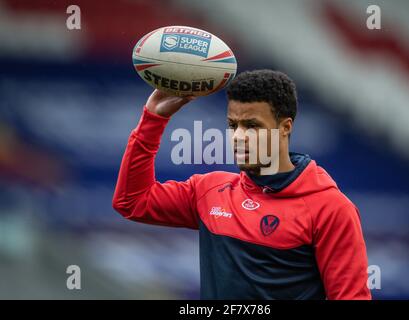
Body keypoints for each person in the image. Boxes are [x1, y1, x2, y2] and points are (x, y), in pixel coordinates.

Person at [112, 69, 371, 299]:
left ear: (285, 127)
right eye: (232, 125)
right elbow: (132, 202)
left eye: (252, 126)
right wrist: (153, 119)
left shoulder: (331, 209)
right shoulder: (209, 191)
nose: (238, 137)